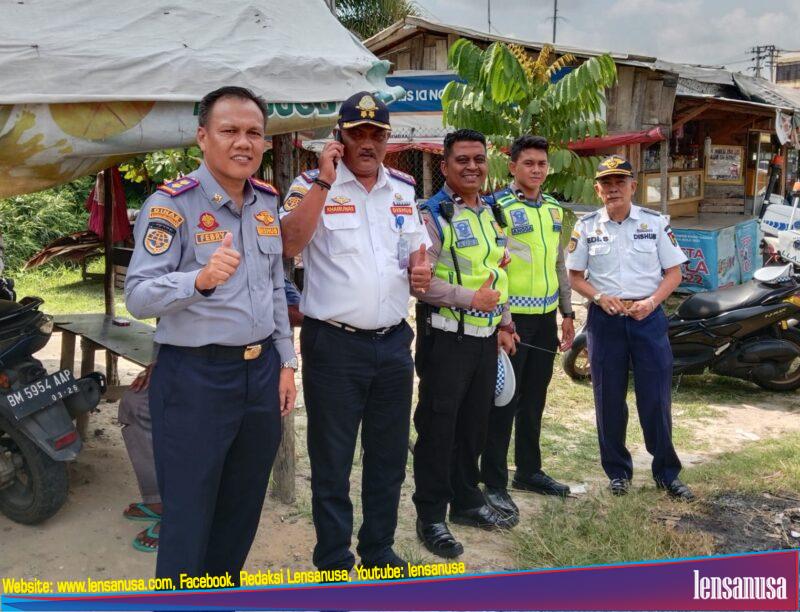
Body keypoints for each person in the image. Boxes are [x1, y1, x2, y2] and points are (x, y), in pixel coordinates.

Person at [125, 86, 297, 584]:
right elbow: (138, 296)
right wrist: (198, 280)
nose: (243, 142)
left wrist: (286, 363)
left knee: (242, 507)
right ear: (203, 137)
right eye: (229, 131)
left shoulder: (266, 201)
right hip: (196, 379)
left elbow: (273, 287)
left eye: (253, 133)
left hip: (260, 373)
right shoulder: (171, 205)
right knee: (189, 514)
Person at [280, 91, 431, 575]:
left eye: (377, 134)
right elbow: (288, 242)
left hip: (392, 343)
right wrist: (325, 181)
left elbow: (415, 252)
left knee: (387, 457)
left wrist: (421, 269)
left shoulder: (403, 189)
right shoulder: (310, 185)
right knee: (333, 459)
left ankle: (378, 550)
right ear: (339, 138)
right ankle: (332, 558)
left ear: (388, 140)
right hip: (334, 344)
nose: (367, 142)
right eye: (357, 132)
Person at [412, 129, 517, 560]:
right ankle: (431, 514)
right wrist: (470, 299)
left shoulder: (492, 212)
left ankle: (467, 500)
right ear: (445, 166)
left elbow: (497, 271)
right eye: (462, 160)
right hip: (447, 340)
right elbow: (422, 285)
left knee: (474, 425)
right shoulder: (432, 215)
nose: (472, 167)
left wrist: (505, 322)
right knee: (439, 429)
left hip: (486, 339)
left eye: (478, 159)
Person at [565, 155, 694, 501]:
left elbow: (674, 273)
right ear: (597, 189)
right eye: (606, 184)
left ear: (633, 187)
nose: (613, 189)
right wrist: (598, 296)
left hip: (647, 318)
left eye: (620, 182)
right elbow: (575, 276)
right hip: (606, 320)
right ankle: (618, 473)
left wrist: (652, 302)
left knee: (655, 399)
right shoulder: (587, 226)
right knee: (608, 399)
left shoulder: (654, 223)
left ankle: (667, 473)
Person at [480, 136, 575, 520]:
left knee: (535, 399)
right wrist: (503, 319)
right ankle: (495, 482)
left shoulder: (553, 210)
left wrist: (567, 313)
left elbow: (558, 265)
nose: (536, 169)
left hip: (546, 318)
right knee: (505, 400)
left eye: (542, 163)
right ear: (512, 167)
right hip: (511, 322)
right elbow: (493, 266)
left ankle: (529, 471)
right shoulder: (497, 208)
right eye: (529, 163)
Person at [119, 359, 161, 553]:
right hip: (184, 356)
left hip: (222, 365)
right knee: (135, 402)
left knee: (188, 419)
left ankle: (183, 515)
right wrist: (159, 363)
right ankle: (159, 499)